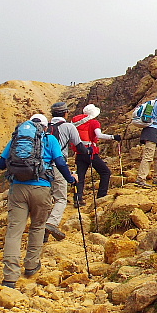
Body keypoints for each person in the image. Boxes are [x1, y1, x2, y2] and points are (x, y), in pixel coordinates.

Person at [0, 114, 76, 287]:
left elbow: (1, 164)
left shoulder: (17, 140)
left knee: (14, 232)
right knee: (38, 227)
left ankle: (10, 277)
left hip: (18, 189)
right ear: (45, 127)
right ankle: (31, 266)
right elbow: (61, 163)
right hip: (42, 188)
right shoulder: (49, 140)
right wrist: (71, 179)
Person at [45, 102, 91, 242]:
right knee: (61, 198)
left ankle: (42, 234)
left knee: (47, 199)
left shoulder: (45, 127)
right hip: (58, 165)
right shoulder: (68, 127)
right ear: (65, 113)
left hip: (41, 168)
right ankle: (51, 223)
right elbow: (79, 146)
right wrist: (88, 151)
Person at [71, 104, 121, 206]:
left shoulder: (77, 124)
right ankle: (101, 196)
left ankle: (78, 199)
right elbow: (99, 135)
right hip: (91, 153)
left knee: (80, 176)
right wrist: (113, 137)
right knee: (105, 172)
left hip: (80, 152)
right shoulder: (94, 122)